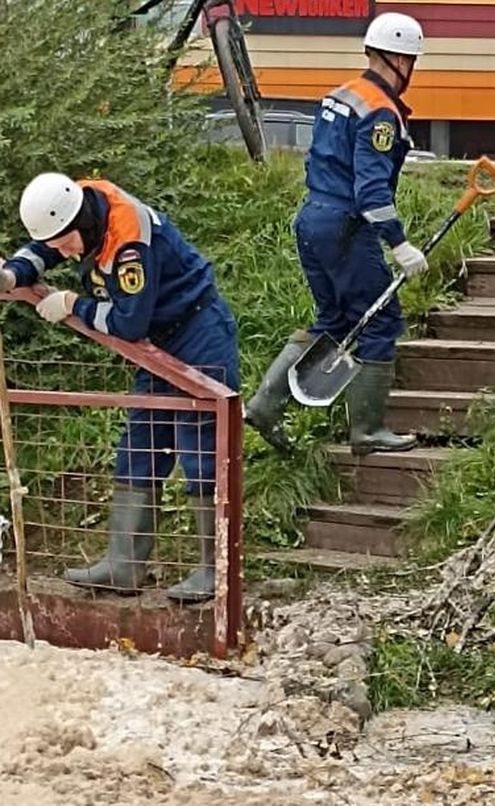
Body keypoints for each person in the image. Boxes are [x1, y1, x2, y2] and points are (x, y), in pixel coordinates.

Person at [0, 172, 240, 603]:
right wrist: (12, 274)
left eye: (67, 244)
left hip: (197, 334)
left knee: (202, 451)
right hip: (155, 347)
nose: (64, 254)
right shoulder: (75, 204)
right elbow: (44, 247)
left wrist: (73, 304)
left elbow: (129, 323)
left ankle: (214, 570)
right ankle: (124, 564)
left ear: (82, 223)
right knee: (139, 447)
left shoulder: (129, 243)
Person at [245, 12, 429, 456]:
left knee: (333, 320)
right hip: (346, 227)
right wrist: (399, 243)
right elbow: (371, 191)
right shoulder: (380, 112)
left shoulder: (342, 95)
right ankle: (367, 430)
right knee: (381, 320)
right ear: (402, 60)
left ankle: (265, 405)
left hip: (312, 218)